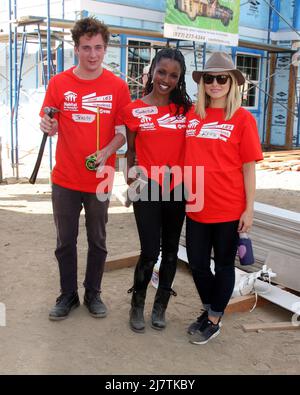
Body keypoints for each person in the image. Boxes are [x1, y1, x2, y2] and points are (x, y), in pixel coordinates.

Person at [39, 17, 131, 321]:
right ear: (76, 48)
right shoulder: (59, 83)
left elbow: (123, 131)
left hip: (100, 177)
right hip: (65, 178)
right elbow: (48, 120)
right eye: (86, 48)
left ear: (106, 49)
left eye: (99, 48)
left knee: (98, 239)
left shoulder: (117, 87)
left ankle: (93, 293)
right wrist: (48, 124)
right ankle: (68, 295)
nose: (93, 55)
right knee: (65, 241)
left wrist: (106, 151)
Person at [184, 52, 263, 344]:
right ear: (202, 83)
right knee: (197, 264)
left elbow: (249, 168)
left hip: (229, 207)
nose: (215, 84)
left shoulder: (243, 119)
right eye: (209, 78)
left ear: (232, 83)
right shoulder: (193, 115)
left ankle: (214, 318)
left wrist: (249, 208)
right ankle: (209, 309)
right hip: (196, 205)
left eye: (221, 79)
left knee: (224, 266)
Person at [122, 48, 192, 333]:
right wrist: (129, 183)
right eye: (162, 72)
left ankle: (160, 305)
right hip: (147, 188)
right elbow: (131, 151)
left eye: (174, 75)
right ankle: (137, 304)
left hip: (178, 188)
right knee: (150, 251)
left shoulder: (187, 111)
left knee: (172, 252)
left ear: (180, 78)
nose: (166, 79)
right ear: (151, 71)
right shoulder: (134, 110)